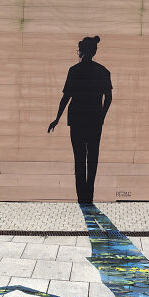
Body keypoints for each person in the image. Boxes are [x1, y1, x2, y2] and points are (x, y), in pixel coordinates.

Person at [48, 35, 112, 203]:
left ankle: (81, 197)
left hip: (76, 119)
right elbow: (109, 97)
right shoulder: (103, 71)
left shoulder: (74, 71)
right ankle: (89, 194)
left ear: (81, 51)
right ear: (94, 51)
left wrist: (57, 118)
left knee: (79, 158)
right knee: (92, 158)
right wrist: (102, 116)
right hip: (94, 120)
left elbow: (66, 98)